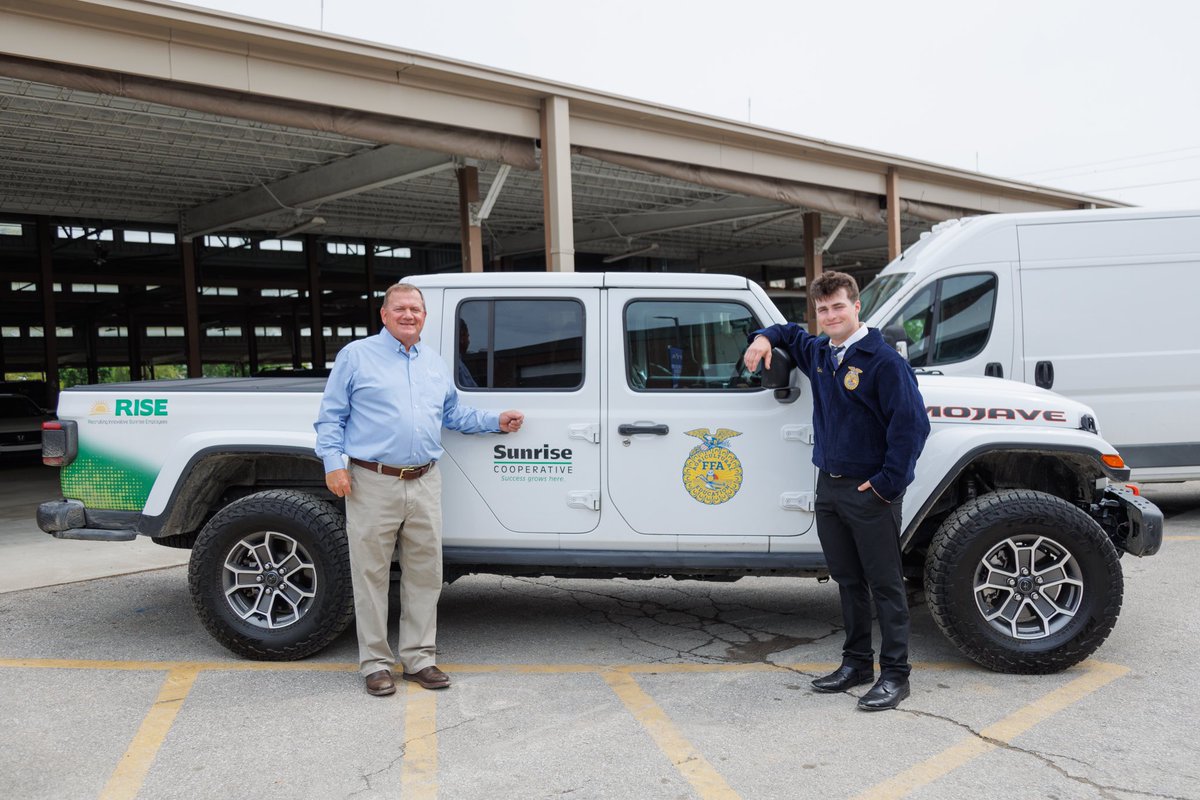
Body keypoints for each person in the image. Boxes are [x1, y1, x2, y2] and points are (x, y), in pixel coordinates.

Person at [315, 282, 524, 697]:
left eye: (415, 309)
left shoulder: (433, 362)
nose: (408, 315)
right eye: (400, 309)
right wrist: (333, 464)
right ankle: (375, 663)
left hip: (426, 480)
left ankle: (419, 659)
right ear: (384, 314)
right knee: (371, 574)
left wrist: (494, 421)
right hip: (371, 481)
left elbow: (452, 413)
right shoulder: (356, 357)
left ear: (424, 317)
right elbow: (330, 418)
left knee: (425, 575)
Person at [743, 270, 929, 711]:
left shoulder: (884, 362)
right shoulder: (821, 352)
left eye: (838, 306)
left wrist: (885, 486)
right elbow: (789, 331)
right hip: (829, 487)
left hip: (871, 493)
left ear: (856, 306)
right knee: (848, 581)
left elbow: (912, 429)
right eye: (822, 309)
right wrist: (763, 338)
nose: (829, 315)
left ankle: (896, 676)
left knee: (885, 585)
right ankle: (857, 664)